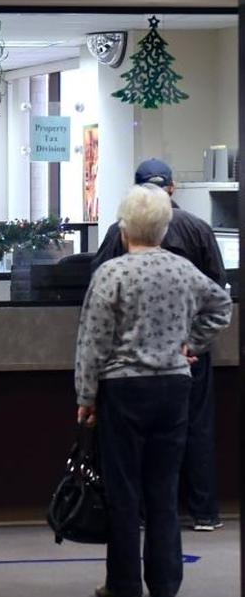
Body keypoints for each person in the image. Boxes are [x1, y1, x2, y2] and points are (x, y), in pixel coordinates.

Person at [75, 185, 232, 597]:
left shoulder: (112, 274)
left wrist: (86, 397)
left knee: (124, 494)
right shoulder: (183, 270)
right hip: (174, 388)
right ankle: (165, 583)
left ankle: (124, 584)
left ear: (124, 229)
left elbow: (93, 341)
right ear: (164, 229)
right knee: (163, 492)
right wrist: (191, 344)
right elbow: (221, 306)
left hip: (123, 390)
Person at [92, 158, 227, 532]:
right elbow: (218, 289)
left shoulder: (119, 232)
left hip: (131, 358)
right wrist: (192, 342)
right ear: (172, 188)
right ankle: (204, 512)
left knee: (130, 445)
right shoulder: (198, 228)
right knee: (197, 428)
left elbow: (96, 289)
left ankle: (135, 515)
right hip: (186, 355)